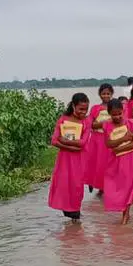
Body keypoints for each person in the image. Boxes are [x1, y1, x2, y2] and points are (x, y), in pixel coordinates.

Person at [49, 93, 92, 222]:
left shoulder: (87, 121)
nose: (83, 112)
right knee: (64, 184)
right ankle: (70, 215)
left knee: (77, 186)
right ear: (73, 106)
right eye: (80, 109)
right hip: (64, 159)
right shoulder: (63, 119)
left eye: (86, 109)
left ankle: (76, 215)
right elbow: (54, 141)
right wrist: (73, 147)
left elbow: (83, 143)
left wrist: (64, 141)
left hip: (80, 160)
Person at [102, 99, 133, 224]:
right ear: (109, 113)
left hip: (130, 160)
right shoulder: (107, 125)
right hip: (114, 161)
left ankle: (126, 213)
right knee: (113, 185)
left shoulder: (130, 123)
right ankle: (120, 208)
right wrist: (124, 139)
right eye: (114, 114)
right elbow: (108, 144)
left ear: (123, 111)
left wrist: (119, 148)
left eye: (119, 113)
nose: (117, 116)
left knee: (128, 186)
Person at [84, 83, 114, 193]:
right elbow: (91, 124)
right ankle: (97, 185)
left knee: (109, 163)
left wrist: (100, 123)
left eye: (108, 93)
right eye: (103, 93)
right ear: (100, 95)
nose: (106, 96)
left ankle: (107, 186)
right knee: (97, 163)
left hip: (110, 139)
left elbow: (118, 122)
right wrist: (107, 123)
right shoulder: (95, 108)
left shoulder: (115, 107)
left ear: (111, 94)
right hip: (97, 139)